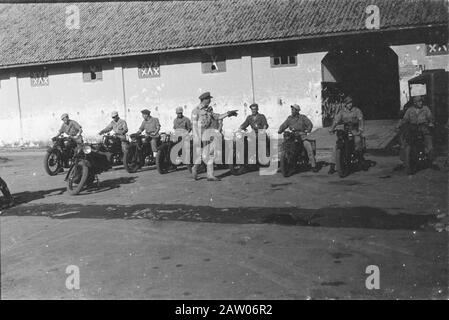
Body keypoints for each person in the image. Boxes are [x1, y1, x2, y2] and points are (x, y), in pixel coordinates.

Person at [191, 91, 237, 181]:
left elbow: (217, 117)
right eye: (208, 99)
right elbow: (194, 125)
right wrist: (197, 138)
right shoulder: (195, 110)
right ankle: (196, 167)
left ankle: (210, 175)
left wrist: (228, 113)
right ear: (204, 100)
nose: (210, 101)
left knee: (210, 153)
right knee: (204, 154)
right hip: (201, 135)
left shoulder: (209, 110)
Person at [328, 96, 364, 174]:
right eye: (348, 103)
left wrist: (360, 130)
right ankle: (332, 166)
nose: (349, 105)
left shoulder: (357, 110)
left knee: (357, 141)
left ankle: (360, 159)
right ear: (345, 104)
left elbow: (361, 120)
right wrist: (331, 128)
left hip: (354, 130)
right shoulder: (342, 112)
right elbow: (336, 120)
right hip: (345, 130)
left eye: (350, 103)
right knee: (337, 146)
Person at [278, 104, 318, 172]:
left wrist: (308, 130)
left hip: (302, 136)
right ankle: (282, 165)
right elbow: (284, 125)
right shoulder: (289, 118)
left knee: (308, 147)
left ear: (297, 111)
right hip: (292, 136)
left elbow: (309, 124)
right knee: (284, 147)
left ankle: (313, 165)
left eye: (293, 110)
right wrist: (280, 130)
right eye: (292, 109)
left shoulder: (302, 117)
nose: (292, 111)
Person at [396, 95, 435, 166]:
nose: (421, 103)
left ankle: (430, 156)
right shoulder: (410, 110)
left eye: (421, 101)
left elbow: (430, 117)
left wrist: (431, 123)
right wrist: (399, 124)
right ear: (415, 103)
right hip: (413, 127)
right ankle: (403, 156)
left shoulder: (426, 109)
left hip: (423, 126)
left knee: (428, 139)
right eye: (419, 102)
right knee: (405, 138)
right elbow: (405, 119)